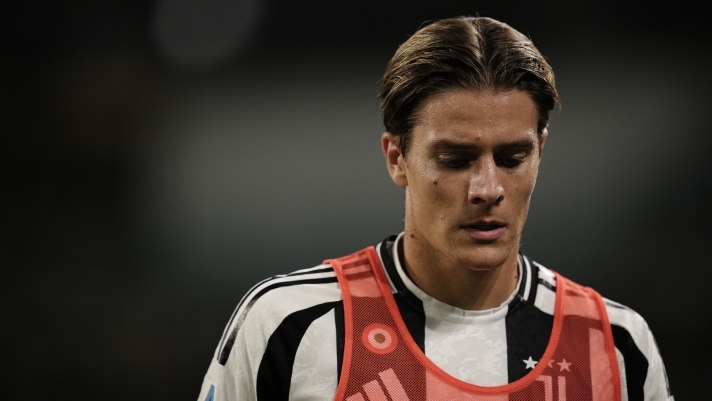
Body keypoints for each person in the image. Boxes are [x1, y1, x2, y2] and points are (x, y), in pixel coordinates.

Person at [197, 16, 673, 401]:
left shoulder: (615, 345)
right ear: (396, 158)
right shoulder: (290, 326)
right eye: (456, 159)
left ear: (541, 152)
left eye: (512, 159)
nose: (488, 188)